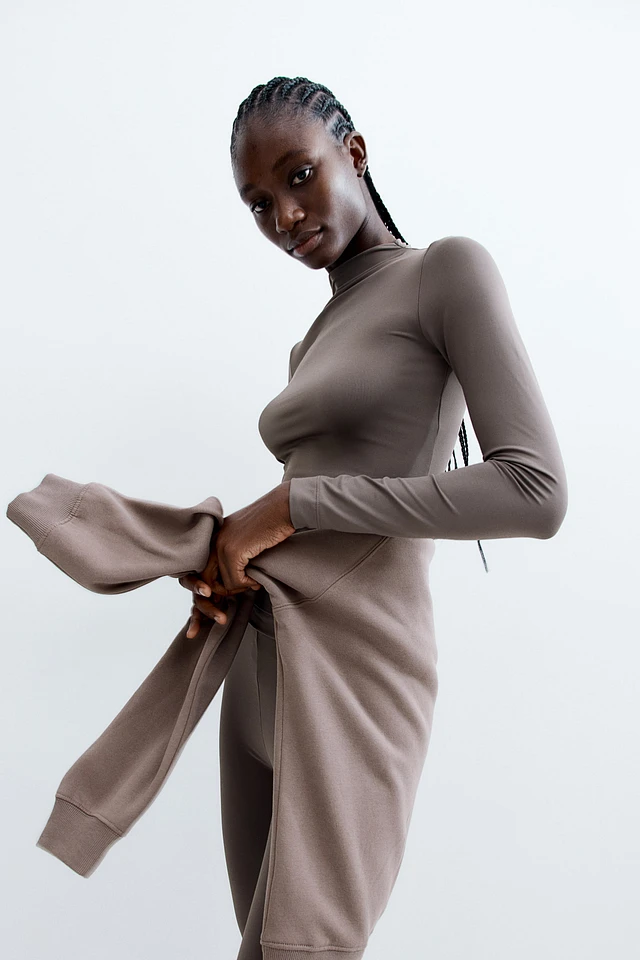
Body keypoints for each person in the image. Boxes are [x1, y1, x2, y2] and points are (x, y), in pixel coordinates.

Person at [175, 75, 568, 960]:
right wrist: (231, 555)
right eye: (258, 203)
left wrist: (294, 503)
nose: (284, 215)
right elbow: (306, 515)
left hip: (355, 680)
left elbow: (536, 490)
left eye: (299, 176)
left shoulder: (445, 272)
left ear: (353, 154)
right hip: (261, 664)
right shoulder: (311, 342)